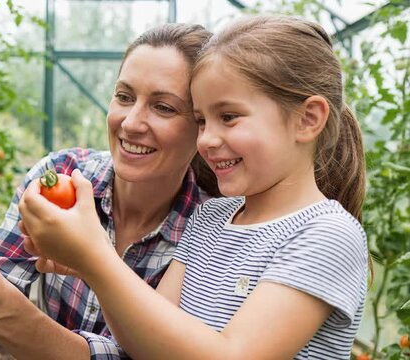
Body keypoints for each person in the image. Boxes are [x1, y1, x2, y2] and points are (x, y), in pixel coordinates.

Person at [19, 15, 369, 359]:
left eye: (228, 117)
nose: (208, 140)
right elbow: (146, 344)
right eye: (201, 120)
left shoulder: (327, 235)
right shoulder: (210, 218)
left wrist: (96, 259)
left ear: (307, 119)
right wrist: (86, 263)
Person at [0, 23, 220, 358]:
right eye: (124, 96)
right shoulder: (59, 176)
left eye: (163, 107)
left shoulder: (215, 232)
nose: (130, 122)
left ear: (201, 125)